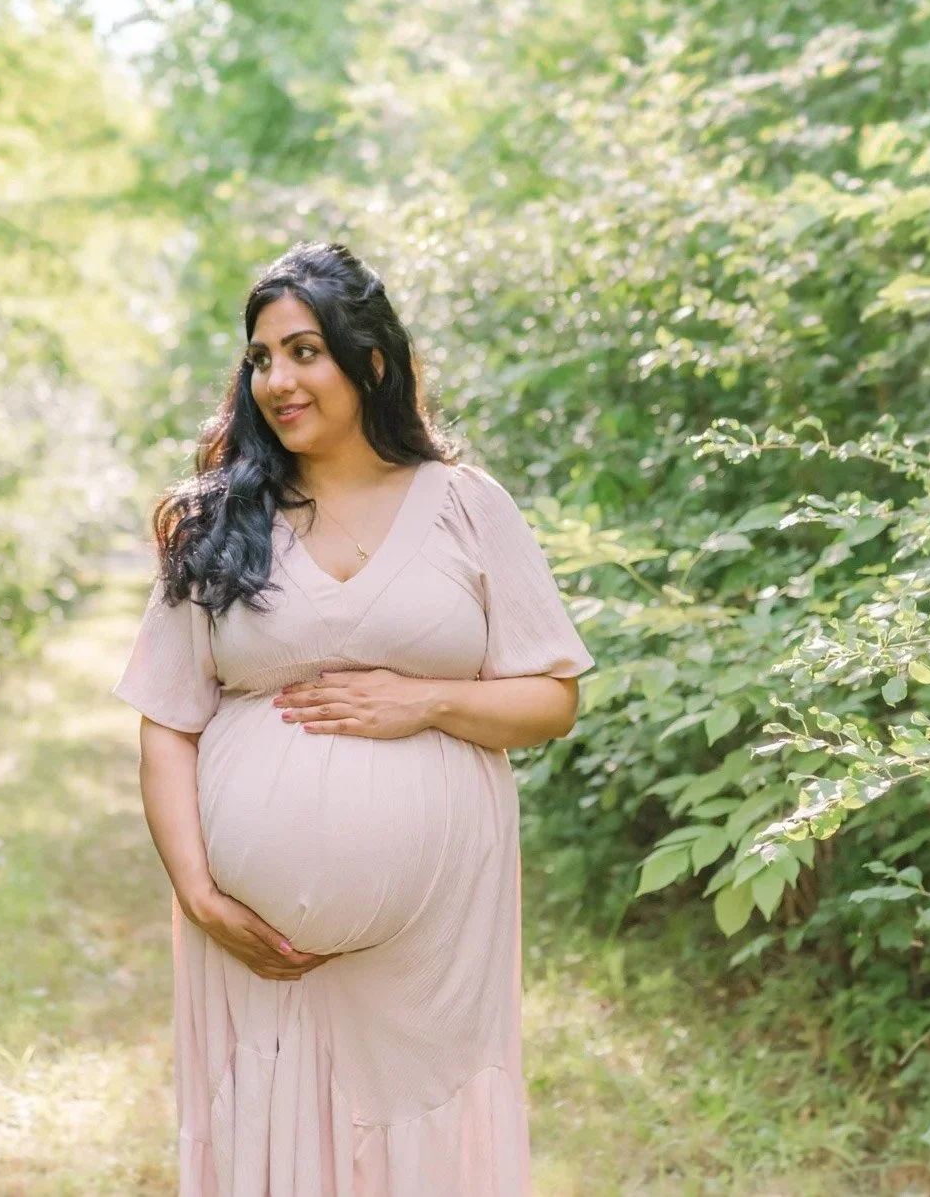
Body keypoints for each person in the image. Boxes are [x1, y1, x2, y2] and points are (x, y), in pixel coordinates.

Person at [111, 241, 594, 1196]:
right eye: (261, 358)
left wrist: (429, 700)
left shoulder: (466, 506)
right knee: (268, 1139)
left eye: (305, 351)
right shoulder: (219, 521)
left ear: (371, 361)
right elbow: (166, 721)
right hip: (250, 944)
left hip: (432, 948)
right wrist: (200, 893)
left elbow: (553, 698)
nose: (277, 381)